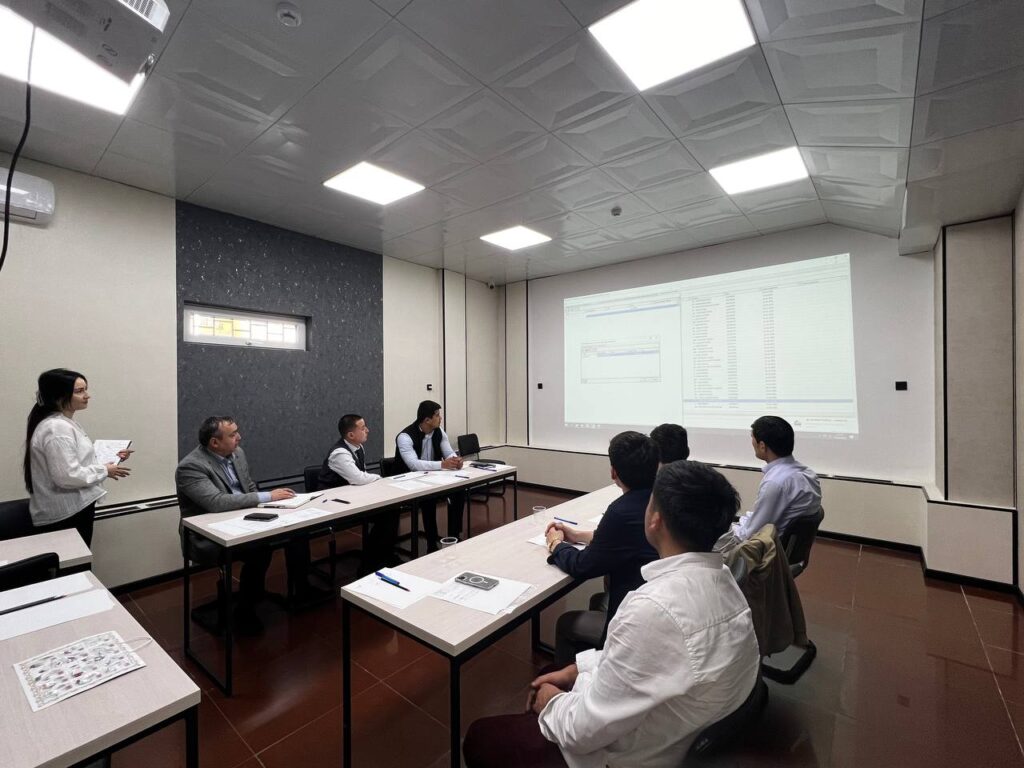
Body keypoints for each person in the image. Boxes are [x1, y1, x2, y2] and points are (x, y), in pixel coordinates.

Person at [463, 461, 761, 768]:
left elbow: (582, 731)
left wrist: (551, 702)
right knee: (554, 672)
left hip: (624, 755)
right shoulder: (725, 580)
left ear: (655, 519)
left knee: (480, 736)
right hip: (680, 725)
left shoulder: (652, 609)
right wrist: (576, 670)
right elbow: (644, 658)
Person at [175, 416, 328, 634]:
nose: (239, 437)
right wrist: (268, 497)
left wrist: (272, 505)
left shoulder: (237, 453)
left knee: (297, 531)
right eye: (232, 434)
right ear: (214, 442)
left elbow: (248, 486)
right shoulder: (191, 466)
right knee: (260, 550)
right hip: (209, 534)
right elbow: (215, 502)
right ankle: (245, 608)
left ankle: (301, 590)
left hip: (246, 518)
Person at [543, 431, 658, 666]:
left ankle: (577, 681)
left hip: (634, 622)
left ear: (613, 472)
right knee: (598, 599)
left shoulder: (621, 511)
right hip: (651, 603)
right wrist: (578, 535)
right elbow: (628, 539)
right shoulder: (661, 500)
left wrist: (556, 544)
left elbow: (582, 566)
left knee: (566, 622)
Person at [24, 368, 132, 547]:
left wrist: (111, 459)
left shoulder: (64, 423)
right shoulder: (57, 428)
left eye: (85, 389)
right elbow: (67, 476)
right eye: (79, 391)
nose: (87, 395)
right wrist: (104, 470)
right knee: (74, 562)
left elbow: (77, 462)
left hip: (73, 510)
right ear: (59, 396)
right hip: (66, 515)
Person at [317, 413, 397, 573]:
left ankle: (383, 557)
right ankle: (370, 564)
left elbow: (362, 476)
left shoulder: (358, 448)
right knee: (385, 515)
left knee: (391, 510)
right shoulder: (340, 453)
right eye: (363, 428)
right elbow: (358, 478)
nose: (367, 430)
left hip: (352, 497)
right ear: (351, 435)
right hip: (332, 502)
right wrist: (379, 477)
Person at [730, 415, 821, 543]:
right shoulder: (809, 474)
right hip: (783, 546)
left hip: (766, 549)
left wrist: (727, 530)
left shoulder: (776, 483)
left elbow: (750, 535)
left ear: (762, 446)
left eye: (752, 438)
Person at [393, 400, 466, 551]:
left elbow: (448, 452)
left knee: (459, 491)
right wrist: (442, 465)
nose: (441, 418)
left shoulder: (439, 432)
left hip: (431, 478)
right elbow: (414, 465)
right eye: (437, 415)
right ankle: (431, 544)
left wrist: (455, 460)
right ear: (427, 420)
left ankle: (454, 535)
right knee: (429, 499)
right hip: (407, 482)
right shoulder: (405, 437)